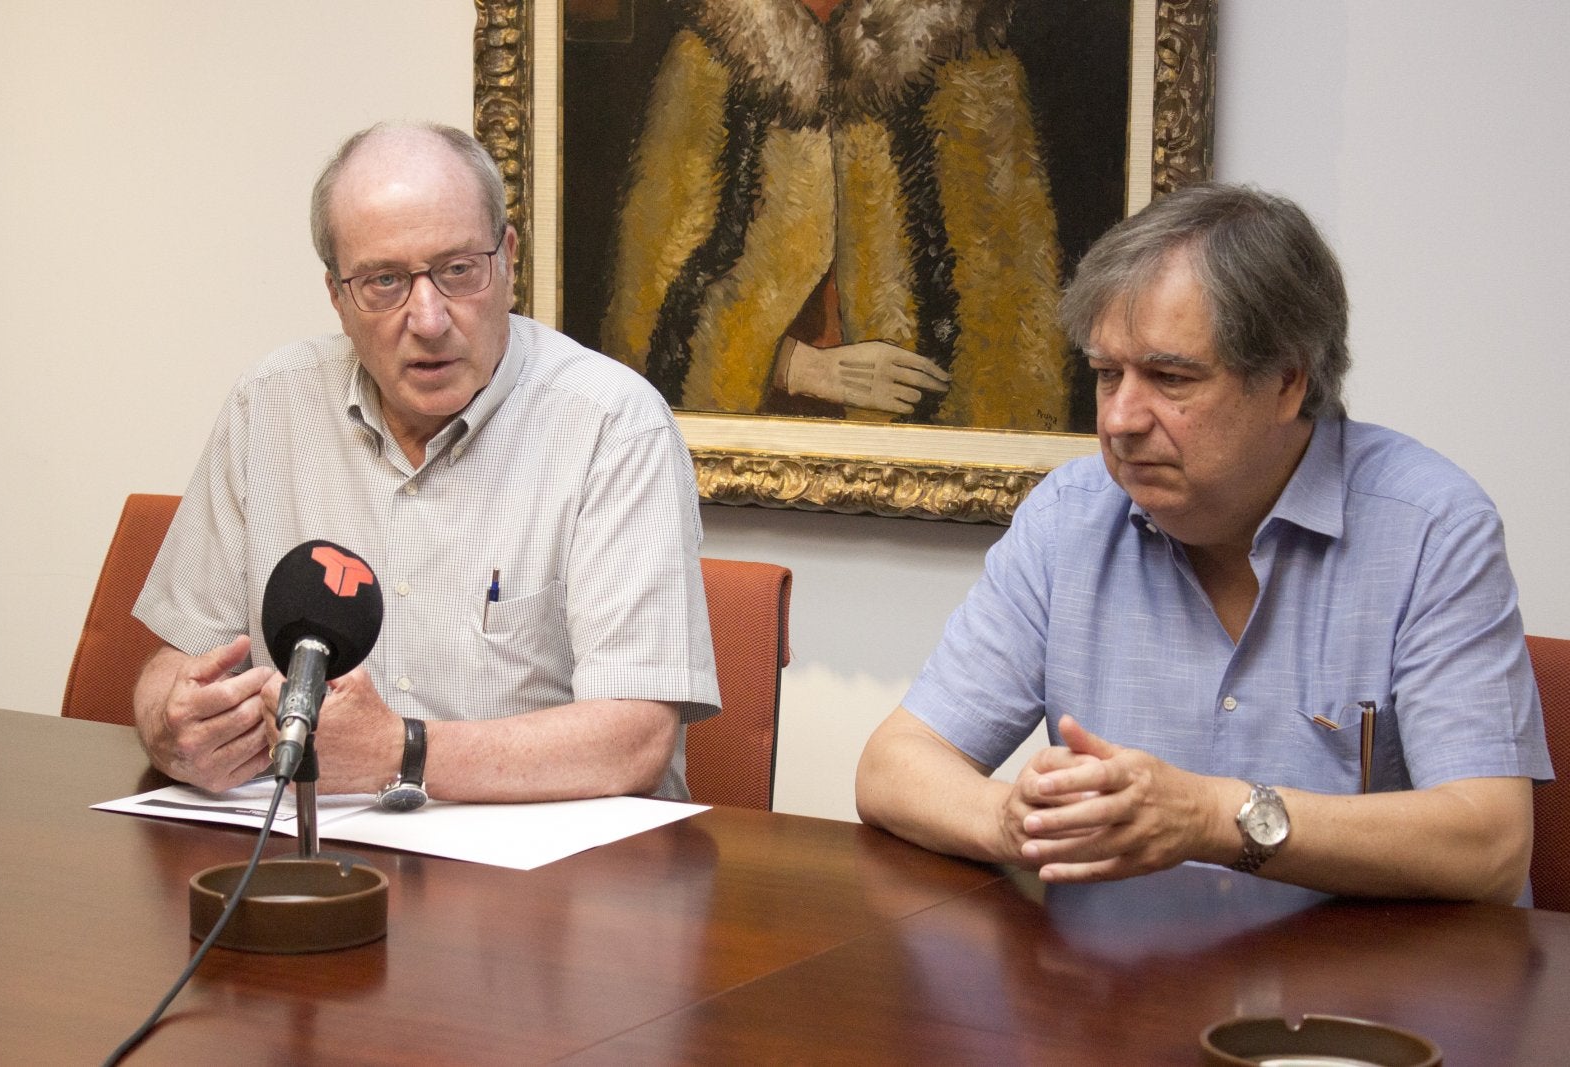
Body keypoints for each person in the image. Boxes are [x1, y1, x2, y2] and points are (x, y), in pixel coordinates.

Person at [855, 182, 1552, 904]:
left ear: (1286, 381)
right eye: (1105, 375)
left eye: (1169, 377)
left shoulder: (1429, 527)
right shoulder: (1068, 516)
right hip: (1120, 988)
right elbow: (893, 765)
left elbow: (1490, 844)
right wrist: (1014, 819)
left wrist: (1213, 818)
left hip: (1365, 996)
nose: (1121, 418)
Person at [132, 122, 720, 806]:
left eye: (458, 270)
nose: (430, 317)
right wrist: (170, 728)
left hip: (552, 883)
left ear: (507, 259)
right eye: (384, 280)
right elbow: (170, 666)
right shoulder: (269, 406)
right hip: (324, 860)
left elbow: (636, 739)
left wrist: (400, 751)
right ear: (338, 296)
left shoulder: (613, 424)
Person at [599, 0, 1071, 430]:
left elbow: (1014, 314)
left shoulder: (969, 54)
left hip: (912, 443)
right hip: (749, 435)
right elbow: (646, 311)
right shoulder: (709, 53)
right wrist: (794, 367)